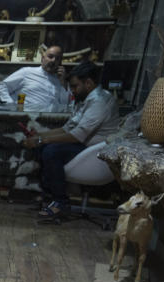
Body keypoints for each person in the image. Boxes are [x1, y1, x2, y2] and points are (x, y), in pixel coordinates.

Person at [22, 61, 119, 219]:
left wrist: (42, 140)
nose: (72, 91)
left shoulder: (100, 102)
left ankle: (61, 203)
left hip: (95, 154)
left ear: (88, 83)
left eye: (75, 86)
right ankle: (50, 197)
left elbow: (77, 135)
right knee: (42, 148)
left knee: (51, 151)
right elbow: (68, 128)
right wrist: (40, 135)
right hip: (83, 146)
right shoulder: (85, 100)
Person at [0, 45, 68, 112]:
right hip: (24, 117)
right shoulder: (27, 72)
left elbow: (66, 105)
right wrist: (11, 106)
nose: (53, 60)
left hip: (49, 120)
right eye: (50, 56)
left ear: (60, 63)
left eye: (57, 59)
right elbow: (2, 87)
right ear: (43, 58)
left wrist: (63, 83)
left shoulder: (61, 81)